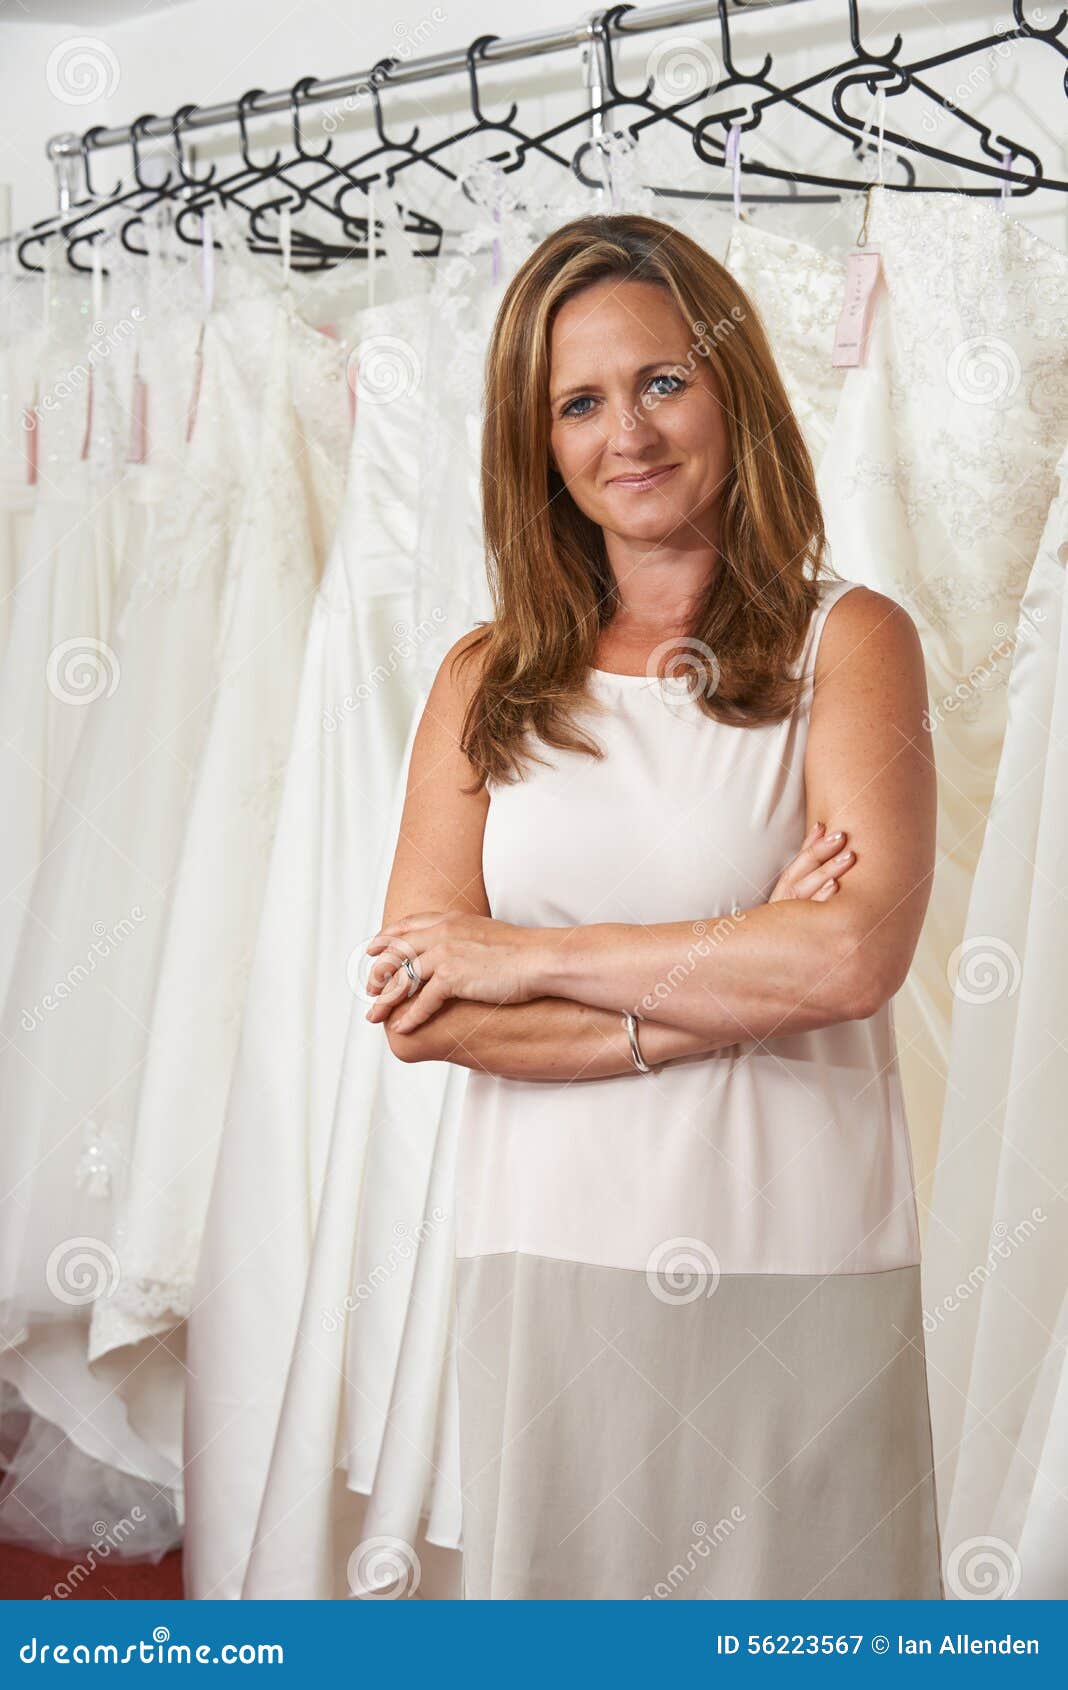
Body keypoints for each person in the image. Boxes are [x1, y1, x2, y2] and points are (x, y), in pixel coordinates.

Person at [365, 214, 942, 1600]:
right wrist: (735, 978)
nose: (627, 430)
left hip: (792, 1249)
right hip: (543, 1253)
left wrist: (532, 959)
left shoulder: (848, 642)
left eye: (662, 381)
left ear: (732, 387)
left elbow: (854, 953)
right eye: (578, 401)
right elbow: (422, 1006)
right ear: (537, 442)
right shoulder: (483, 678)